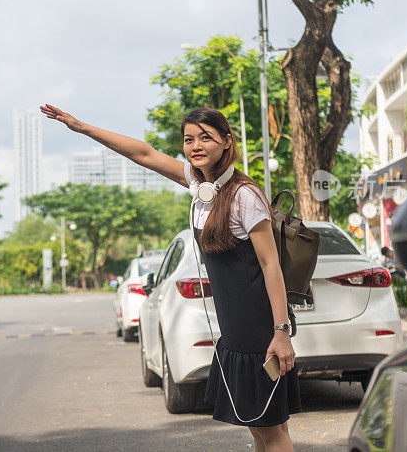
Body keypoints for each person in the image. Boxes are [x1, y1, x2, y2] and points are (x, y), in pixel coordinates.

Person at [40, 104, 300, 452]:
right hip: (236, 330)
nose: (195, 146)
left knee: (271, 430)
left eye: (205, 138)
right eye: (189, 139)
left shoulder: (244, 195)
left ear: (226, 141)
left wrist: (280, 333)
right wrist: (83, 127)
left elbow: (271, 266)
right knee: (259, 428)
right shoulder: (200, 185)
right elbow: (144, 154)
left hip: (258, 330)